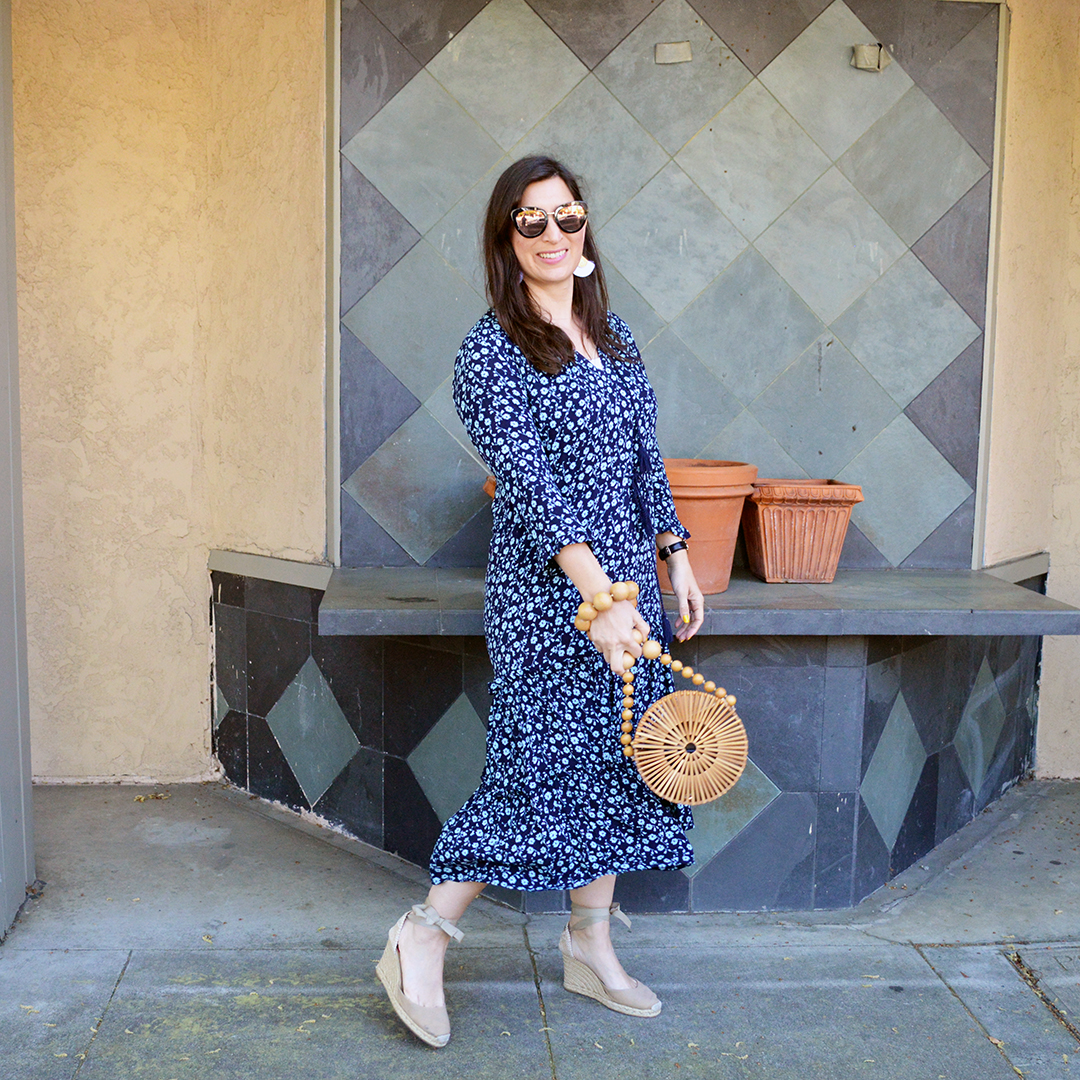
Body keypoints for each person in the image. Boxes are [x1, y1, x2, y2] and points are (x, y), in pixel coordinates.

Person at [376, 155, 705, 1048]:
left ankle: (588, 944)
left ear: (587, 228)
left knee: (618, 763)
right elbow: (531, 488)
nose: (554, 236)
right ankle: (423, 933)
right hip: (552, 600)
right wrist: (601, 603)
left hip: (631, 588)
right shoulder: (489, 351)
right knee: (534, 773)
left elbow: (645, 453)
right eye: (532, 222)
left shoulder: (615, 331)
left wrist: (674, 553)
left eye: (569, 218)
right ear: (504, 237)